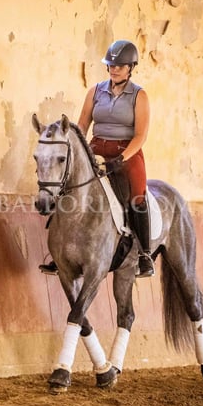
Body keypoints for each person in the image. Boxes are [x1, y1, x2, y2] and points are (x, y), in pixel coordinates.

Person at [39, 39, 156, 278]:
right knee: (67, 185)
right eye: (111, 65)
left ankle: (144, 255)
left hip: (127, 151)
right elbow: (82, 124)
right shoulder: (95, 91)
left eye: (120, 66)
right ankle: (59, 252)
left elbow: (141, 135)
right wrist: (79, 150)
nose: (114, 69)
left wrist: (121, 159)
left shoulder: (139, 95)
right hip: (96, 147)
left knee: (138, 194)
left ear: (131, 67)